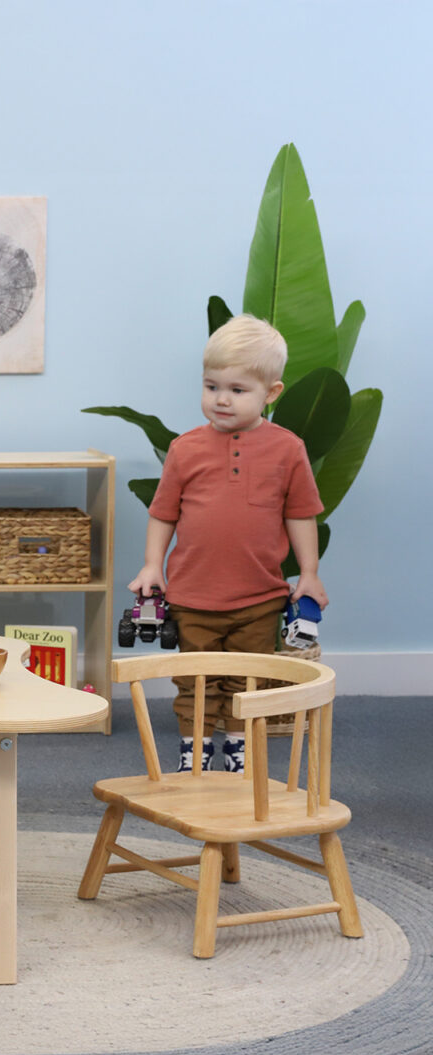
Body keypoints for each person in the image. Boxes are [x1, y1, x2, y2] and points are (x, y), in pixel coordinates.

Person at [127, 315, 328, 773]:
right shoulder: (184, 449)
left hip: (259, 598)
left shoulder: (288, 449)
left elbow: (300, 514)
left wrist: (310, 573)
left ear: (270, 393)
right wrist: (151, 566)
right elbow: (164, 512)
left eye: (237, 390)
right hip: (193, 597)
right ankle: (193, 751)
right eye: (211, 386)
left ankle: (237, 750)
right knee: (194, 682)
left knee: (247, 681)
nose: (221, 399)